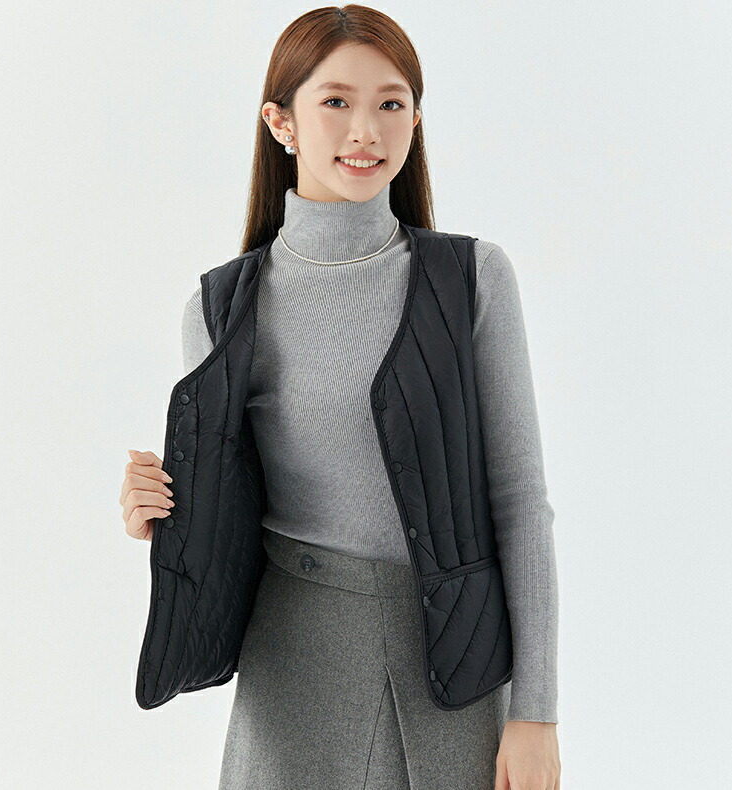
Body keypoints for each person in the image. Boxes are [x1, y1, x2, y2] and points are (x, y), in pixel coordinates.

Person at [120, 5, 561, 789]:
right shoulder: (221, 310)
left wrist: (537, 713)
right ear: (280, 122)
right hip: (293, 668)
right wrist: (159, 517)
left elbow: (519, 503)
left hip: (456, 669)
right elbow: (226, 523)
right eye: (335, 101)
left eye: (391, 103)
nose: (366, 130)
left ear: (415, 120)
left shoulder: (471, 280)